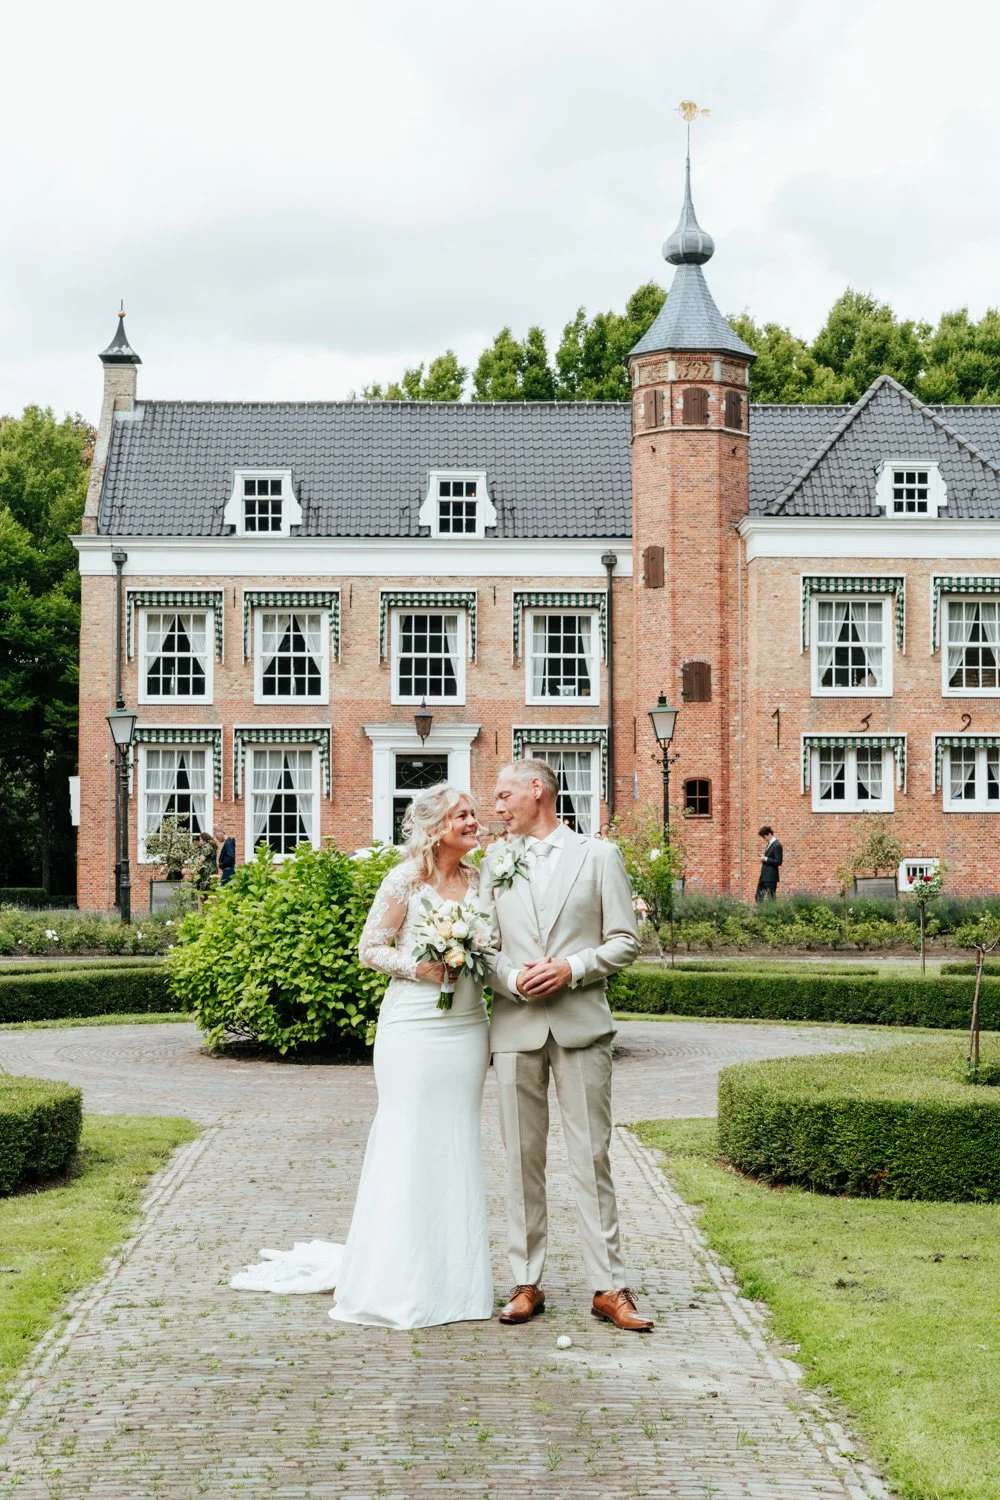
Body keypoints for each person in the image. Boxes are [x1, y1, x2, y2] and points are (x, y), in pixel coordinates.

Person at [231, 783, 493, 1330]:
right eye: (462, 815)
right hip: (414, 1027)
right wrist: (419, 968)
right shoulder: (405, 880)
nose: (474, 821)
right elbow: (370, 948)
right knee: (407, 1138)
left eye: (473, 813)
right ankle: (396, 1277)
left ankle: (457, 1280)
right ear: (434, 827)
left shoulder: (482, 880)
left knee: (456, 1139)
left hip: (468, 1028)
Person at [480, 760, 651, 1333]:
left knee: (591, 1156)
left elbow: (625, 941)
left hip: (580, 1025)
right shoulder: (493, 862)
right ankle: (526, 1281)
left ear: (537, 790)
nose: (496, 806)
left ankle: (609, 1286)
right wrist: (510, 978)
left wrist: (573, 968)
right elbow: (482, 943)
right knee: (522, 1158)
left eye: (503, 794)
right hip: (515, 1026)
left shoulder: (599, 856)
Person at [756, 825, 783, 902]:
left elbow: (778, 861)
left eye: (764, 837)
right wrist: (764, 858)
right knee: (758, 896)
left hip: (771, 876)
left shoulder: (777, 845)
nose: (764, 839)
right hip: (764, 876)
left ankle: (773, 913)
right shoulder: (769, 844)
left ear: (769, 834)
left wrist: (765, 858)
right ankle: (762, 913)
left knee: (771, 898)